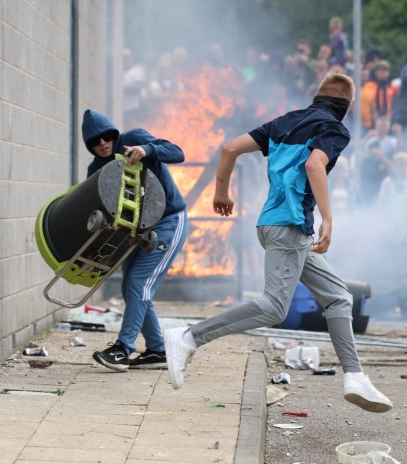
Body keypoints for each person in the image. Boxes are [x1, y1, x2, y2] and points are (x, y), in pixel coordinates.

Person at [163, 73, 393, 413]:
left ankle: (355, 376)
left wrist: (222, 191)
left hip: (276, 227)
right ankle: (189, 337)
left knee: (339, 298)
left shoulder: (286, 120)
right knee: (274, 307)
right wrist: (328, 218)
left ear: (317, 97)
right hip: (289, 228)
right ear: (348, 107)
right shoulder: (335, 129)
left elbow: (229, 148)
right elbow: (315, 164)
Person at [82, 109, 189, 372]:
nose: (103, 144)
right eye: (95, 142)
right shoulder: (96, 169)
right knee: (131, 287)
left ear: (114, 134)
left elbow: (178, 153)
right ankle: (157, 351)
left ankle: (123, 349)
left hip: (168, 221)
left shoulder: (134, 139)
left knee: (140, 283)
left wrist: (147, 150)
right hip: (133, 233)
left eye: (106, 137)